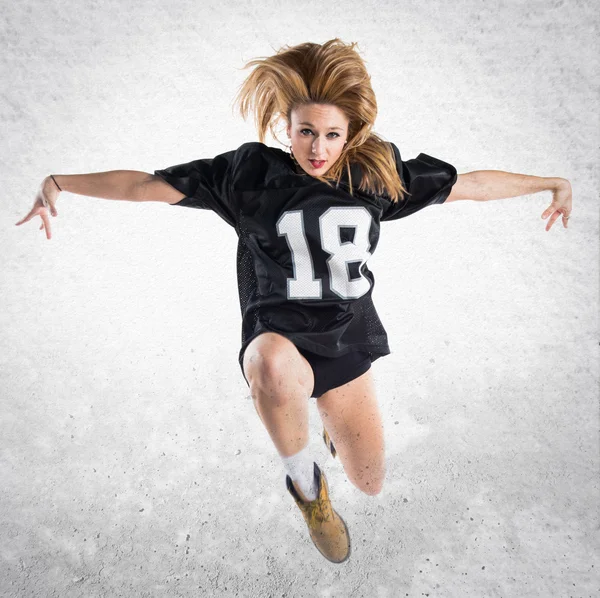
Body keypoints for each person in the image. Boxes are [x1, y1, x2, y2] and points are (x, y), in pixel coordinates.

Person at [16, 38, 573, 564]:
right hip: (278, 327)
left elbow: (469, 184)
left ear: (350, 131)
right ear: (286, 127)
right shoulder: (249, 174)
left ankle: (329, 424)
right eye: (306, 132)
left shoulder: (373, 174)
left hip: (346, 333)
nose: (318, 148)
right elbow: (144, 185)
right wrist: (59, 182)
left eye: (332, 135)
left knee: (371, 481)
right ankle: (308, 489)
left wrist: (550, 182)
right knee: (272, 367)